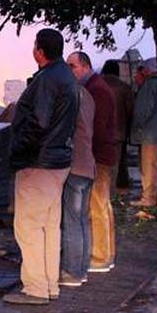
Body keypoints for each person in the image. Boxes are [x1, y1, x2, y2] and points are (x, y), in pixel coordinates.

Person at [3, 29, 78, 305]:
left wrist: (18, 151)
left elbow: (38, 123)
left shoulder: (47, 80)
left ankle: (35, 288)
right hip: (57, 161)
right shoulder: (66, 77)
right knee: (48, 226)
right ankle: (48, 285)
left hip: (39, 163)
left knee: (29, 226)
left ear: (40, 51)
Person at [66, 52, 119, 273]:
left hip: (98, 155)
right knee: (101, 205)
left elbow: (95, 128)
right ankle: (104, 254)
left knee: (97, 206)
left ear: (85, 66)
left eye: (73, 66)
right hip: (101, 154)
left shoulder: (96, 90)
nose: (70, 70)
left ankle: (100, 256)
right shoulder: (96, 87)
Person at [59, 86, 95, 287]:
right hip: (88, 165)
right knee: (82, 220)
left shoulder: (71, 95)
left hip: (75, 165)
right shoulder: (87, 95)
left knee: (72, 221)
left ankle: (72, 271)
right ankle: (82, 268)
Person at [130, 59, 157, 207]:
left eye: (142, 69)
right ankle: (151, 195)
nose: (139, 73)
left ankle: (149, 198)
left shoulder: (150, 85)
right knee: (152, 166)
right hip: (154, 131)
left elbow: (142, 111)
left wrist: (134, 124)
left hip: (149, 133)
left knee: (149, 166)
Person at [101, 60, 135, 196]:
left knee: (99, 166)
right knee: (113, 166)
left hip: (97, 132)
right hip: (118, 133)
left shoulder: (96, 86)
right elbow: (131, 111)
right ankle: (110, 195)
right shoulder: (124, 88)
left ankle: (99, 195)